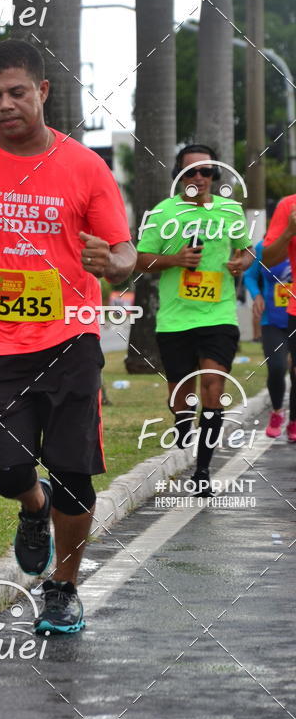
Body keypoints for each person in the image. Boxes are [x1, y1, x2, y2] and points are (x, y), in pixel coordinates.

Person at [0, 39, 135, 634]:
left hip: (70, 341)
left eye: (18, 92)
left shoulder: (85, 167)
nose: (5, 105)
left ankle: (63, 589)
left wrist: (116, 264)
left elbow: (121, 249)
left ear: (43, 92)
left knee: (74, 468)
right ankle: (32, 505)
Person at [135, 144, 253, 495]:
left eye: (206, 171)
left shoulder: (231, 211)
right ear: (179, 176)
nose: (199, 178)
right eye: (190, 172)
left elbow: (245, 249)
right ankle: (183, 424)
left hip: (218, 314)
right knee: (180, 397)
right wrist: (176, 260)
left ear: (214, 175)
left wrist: (239, 264)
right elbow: (141, 260)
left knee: (213, 389)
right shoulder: (163, 213)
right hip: (175, 319)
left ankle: (202, 472)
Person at [244, 239, 296, 440]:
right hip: (272, 320)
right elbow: (249, 276)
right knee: (276, 367)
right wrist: (257, 295)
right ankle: (276, 411)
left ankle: (294, 421)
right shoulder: (264, 247)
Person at [262, 192, 296, 441]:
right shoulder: (289, 206)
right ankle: (282, 414)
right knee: (278, 368)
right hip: (277, 317)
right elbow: (267, 260)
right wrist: (289, 231)